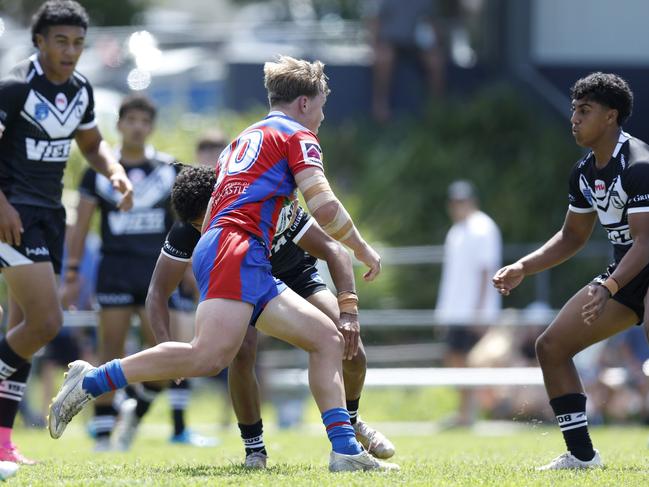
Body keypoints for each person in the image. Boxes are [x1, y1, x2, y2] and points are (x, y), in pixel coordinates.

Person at [49, 55, 398, 472]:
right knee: (208, 357)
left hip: (233, 248)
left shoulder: (244, 138)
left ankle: (344, 451)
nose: (322, 115)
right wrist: (362, 247)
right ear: (304, 103)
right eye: (321, 104)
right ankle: (90, 380)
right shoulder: (297, 135)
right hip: (238, 248)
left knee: (326, 339)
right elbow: (323, 206)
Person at [116, 164, 395, 467]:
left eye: (206, 220)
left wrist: (348, 312)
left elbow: (333, 250)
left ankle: (351, 425)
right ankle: (255, 450)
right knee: (242, 351)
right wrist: (164, 347)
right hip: (243, 280)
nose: (206, 228)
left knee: (350, 346)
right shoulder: (186, 232)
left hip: (295, 277)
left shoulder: (265, 205)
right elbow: (157, 293)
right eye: (199, 227)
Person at [493, 72, 649, 470]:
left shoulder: (639, 164)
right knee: (552, 347)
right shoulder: (583, 173)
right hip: (627, 273)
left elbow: (647, 243)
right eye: (573, 111)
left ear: (611, 117)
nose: (574, 119)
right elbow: (571, 237)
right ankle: (582, 456)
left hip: (637, 268)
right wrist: (523, 267)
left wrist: (609, 285)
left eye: (585, 111)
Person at [0, 0, 132, 464]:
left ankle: (2, 444)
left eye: (78, 42)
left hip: (51, 217)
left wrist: (114, 172)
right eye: (61, 40)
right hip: (13, 216)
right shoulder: (15, 87)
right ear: (39, 41)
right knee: (45, 324)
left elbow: (93, 146)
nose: (71, 50)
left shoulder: (80, 90)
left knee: (22, 332)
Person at [60, 94, 179, 451]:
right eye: (132, 121)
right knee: (109, 349)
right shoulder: (100, 171)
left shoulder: (168, 169)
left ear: (151, 127)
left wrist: (189, 270)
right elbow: (80, 227)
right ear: (120, 125)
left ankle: (136, 412)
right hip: (114, 269)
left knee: (165, 352)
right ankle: (102, 433)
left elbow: (184, 224)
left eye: (145, 121)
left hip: (156, 272)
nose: (138, 127)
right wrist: (72, 273)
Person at [436, 180, 501, 426]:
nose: (457, 206)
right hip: (455, 311)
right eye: (454, 202)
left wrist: (479, 311)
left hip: (472, 312)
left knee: (472, 362)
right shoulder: (456, 231)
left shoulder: (483, 227)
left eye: (461, 201)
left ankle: (473, 412)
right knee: (456, 360)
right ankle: (467, 412)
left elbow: (487, 271)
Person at [365, 0, 445, 122]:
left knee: (435, 61)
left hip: (418, 44)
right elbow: (376, 20)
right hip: (390, 42)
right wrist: (374, 46)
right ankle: (380, 106)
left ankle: (435, 107)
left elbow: (432, 22)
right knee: (383, 58)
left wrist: (435, 44)